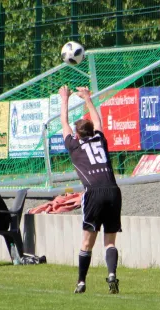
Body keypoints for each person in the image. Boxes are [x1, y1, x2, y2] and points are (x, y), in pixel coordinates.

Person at [59, 85, 122, 294]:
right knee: (110, 241)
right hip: (113, 191)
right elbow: (98, 122)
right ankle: (112, 274)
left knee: (87, 242)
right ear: (91, 132)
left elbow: (64, 123)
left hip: (93, 192)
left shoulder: (74, 146)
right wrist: (87, 98)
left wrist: (64, 99)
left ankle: (81, 282)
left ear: (77, 135)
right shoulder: (100, 139)